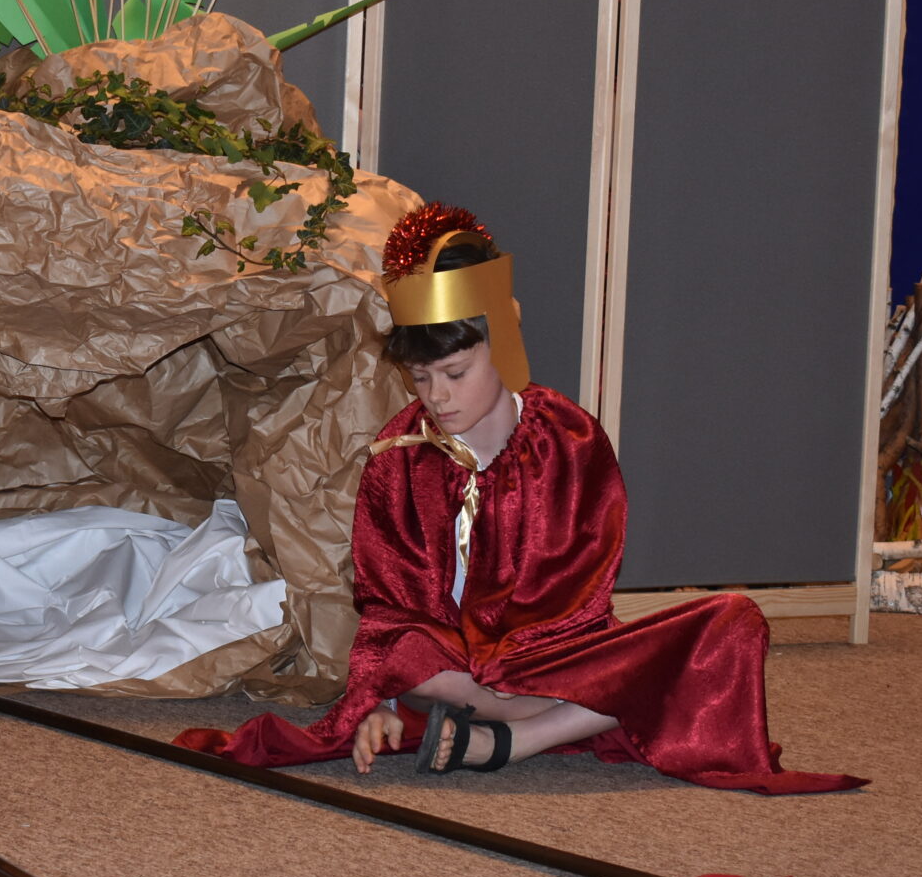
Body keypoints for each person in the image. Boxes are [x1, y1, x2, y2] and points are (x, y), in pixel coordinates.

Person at [174, 204, 864, 795]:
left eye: (455, 371)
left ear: (500, 340)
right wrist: (381, 700)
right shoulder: (400, 454)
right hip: (450, 668)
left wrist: (511, 672)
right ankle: (538, 720)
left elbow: (582, 594)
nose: (438, 397)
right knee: (418, 663)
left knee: (732, 622)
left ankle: (509, 738)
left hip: (549, 659)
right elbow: (390, 608)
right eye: (421, 378)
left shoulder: (570, 439)